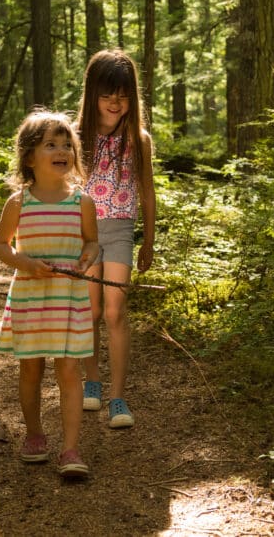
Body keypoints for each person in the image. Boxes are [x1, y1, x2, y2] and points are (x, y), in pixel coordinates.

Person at [0, 109, 100, 477]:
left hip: (68, 298)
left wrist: (88, 256)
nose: (62, 150)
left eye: (67, 144)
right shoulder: (19, 203)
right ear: (29, 157)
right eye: (50, 144)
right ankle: (35, 434)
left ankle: (70, 449)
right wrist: (25, 262)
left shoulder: (82, 202)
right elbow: (1, 246)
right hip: (31, 298)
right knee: (31, 370)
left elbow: (92, 243)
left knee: (69, 371)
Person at [75, 49, 156, 429]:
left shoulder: (137, 140)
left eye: (122, 95)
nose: (114, 102)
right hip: (84, 235)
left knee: (115, 312)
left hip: (121, 230)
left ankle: (118, 397)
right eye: (107, 95)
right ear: (93, 94)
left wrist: (149, 240)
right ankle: (92, 381)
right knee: (89, 313)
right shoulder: (76, 139)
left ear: (132, 97)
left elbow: (148, 192)